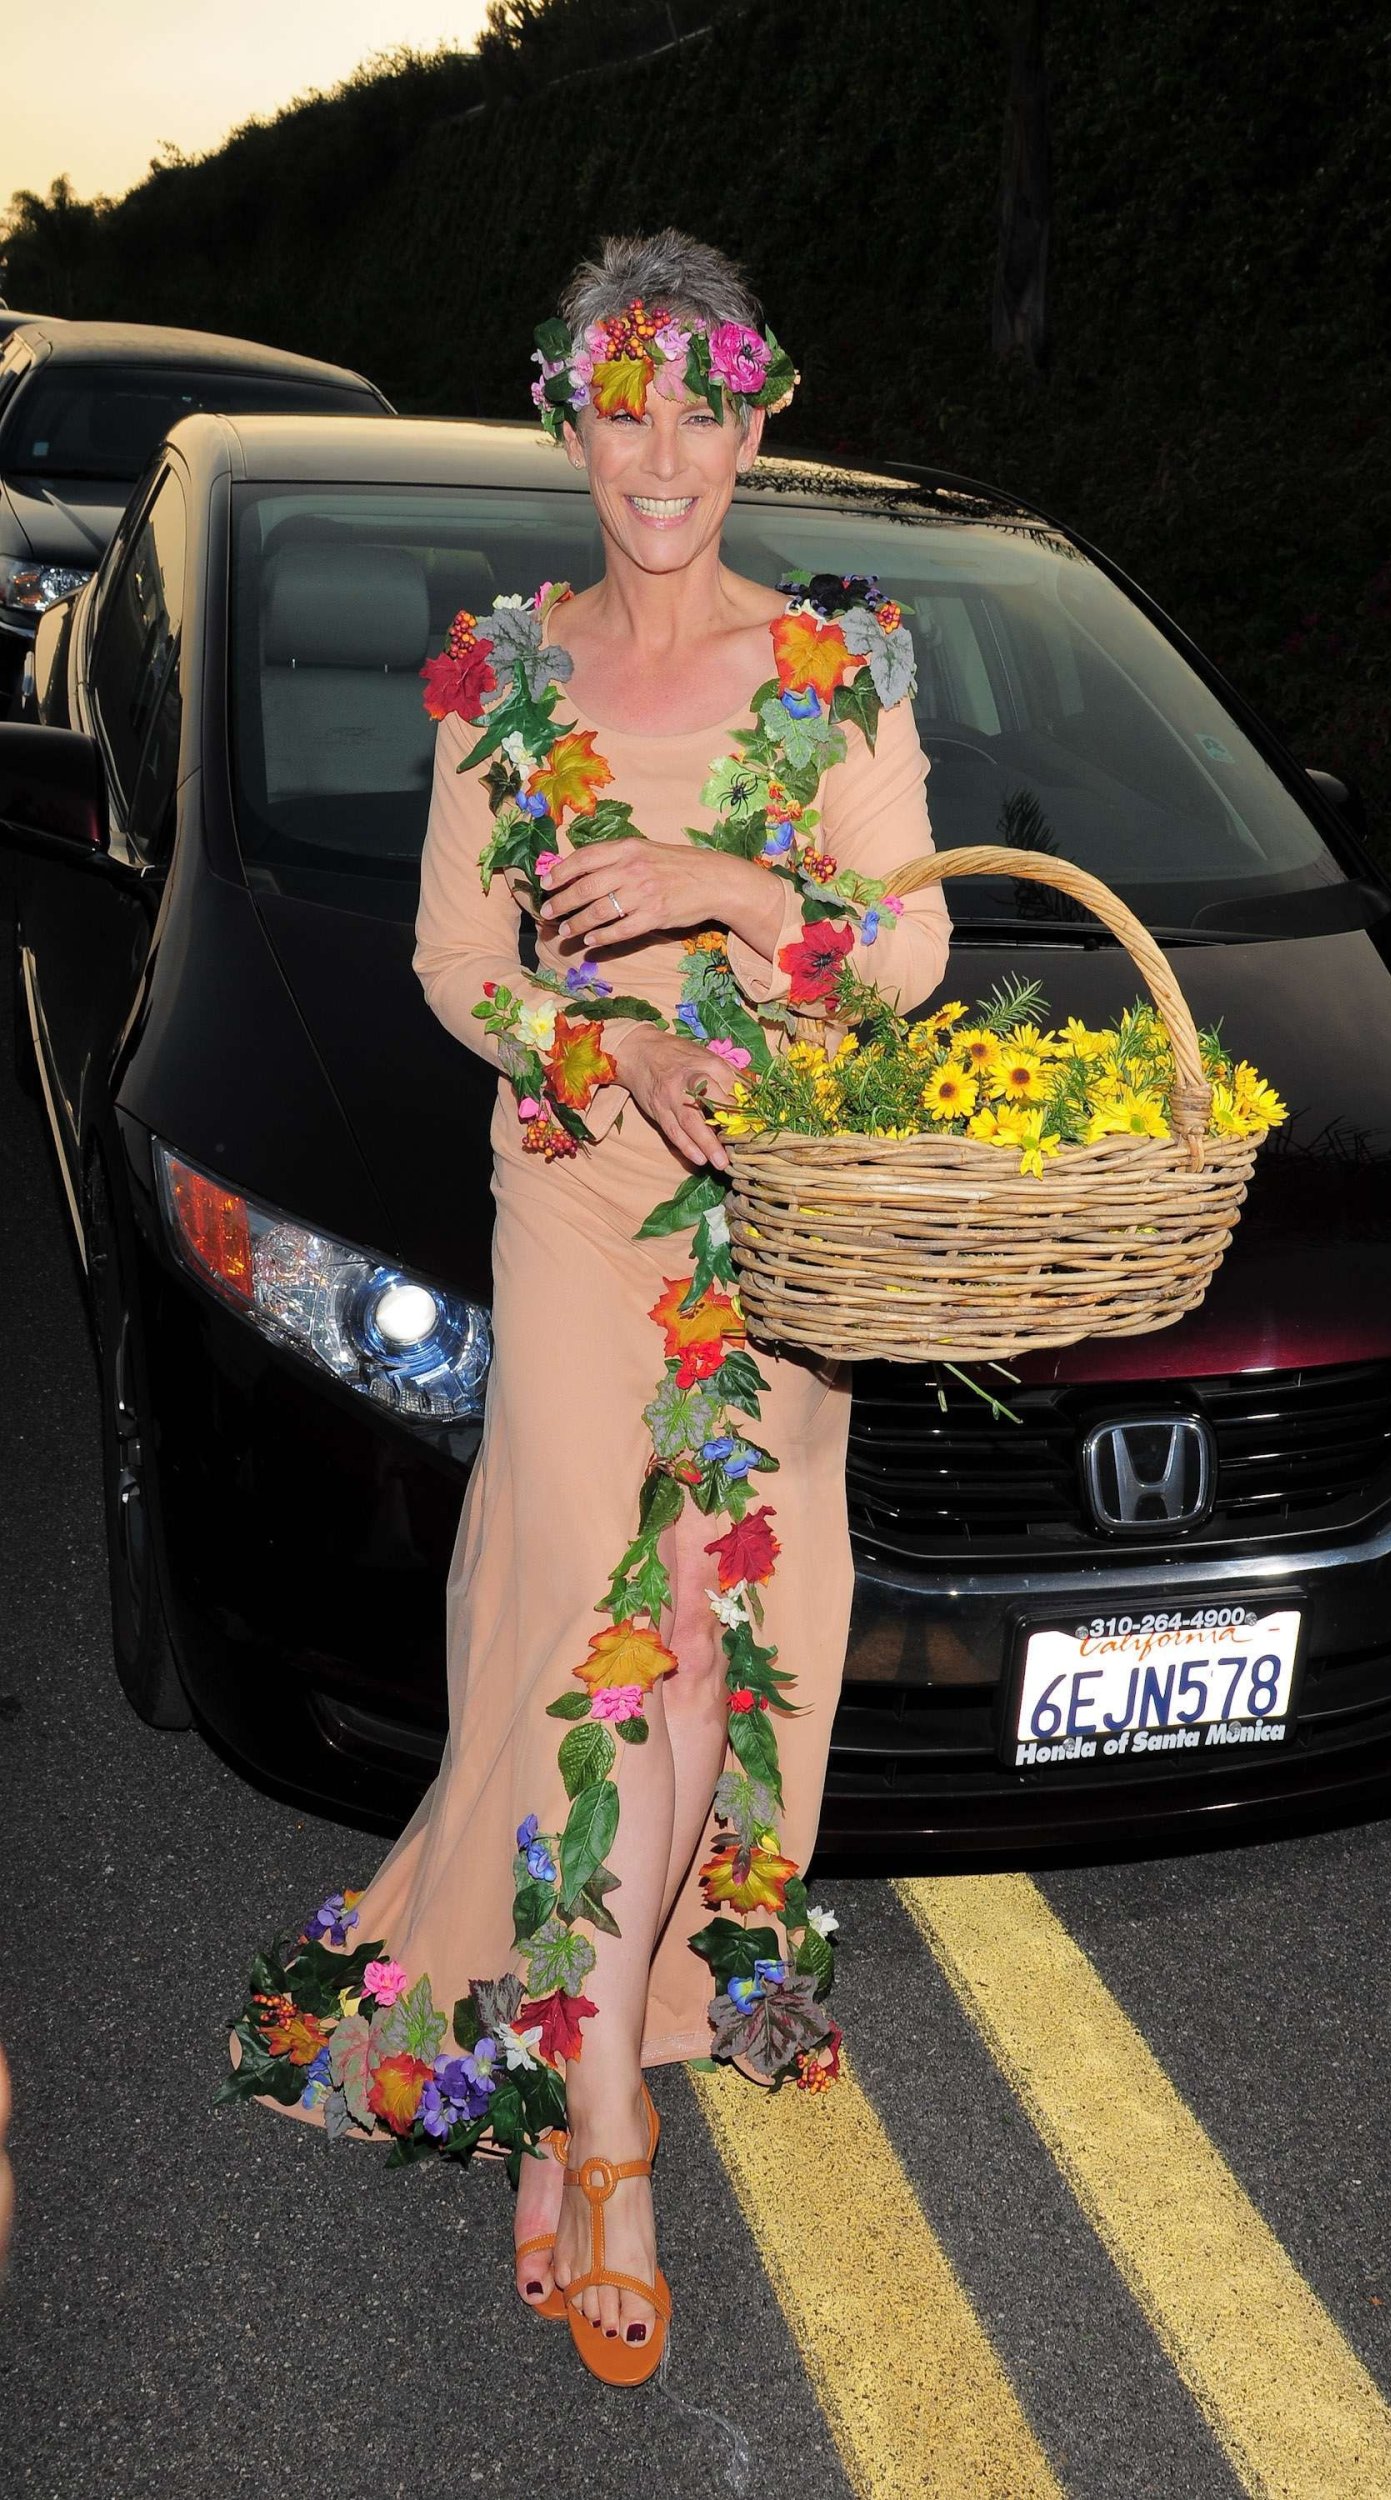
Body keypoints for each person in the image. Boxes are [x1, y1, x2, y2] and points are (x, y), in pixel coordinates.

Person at [222, 229, 950, 2385]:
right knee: (579, 1619)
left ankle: (577, 2064)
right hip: (570, 1198)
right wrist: (602, 1038)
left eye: (698, 412)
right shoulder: (500, 673)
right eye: (621, 412)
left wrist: (730, 890)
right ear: (569, 424)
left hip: (771, 1223)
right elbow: (458, 961)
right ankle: (607, 2104)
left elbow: (905, 954)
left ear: (755, 419)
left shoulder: (836, 668)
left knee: (712, 1634)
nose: (661, 456)